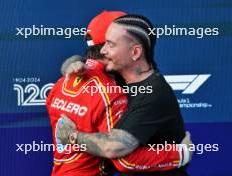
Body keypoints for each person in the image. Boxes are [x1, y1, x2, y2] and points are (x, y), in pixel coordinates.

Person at [56, 13, 190, 175]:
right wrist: (73, 63)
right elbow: (80, 62)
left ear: (135, 53)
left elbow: (116, 151)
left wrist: (71, 136)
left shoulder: (151, 96)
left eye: (110, 45)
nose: (104, 51)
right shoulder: (126, 72)